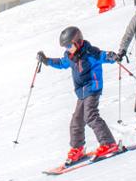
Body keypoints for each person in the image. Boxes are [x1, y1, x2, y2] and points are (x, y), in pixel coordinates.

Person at [37, 26, 119, 166]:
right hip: (81, 92)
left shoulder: (90, 52)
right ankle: (77, 148)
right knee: (76, 120)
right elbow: (61, 63)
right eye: (65, 46)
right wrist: (46, 61)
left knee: (90, 116)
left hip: (93, 88)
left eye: (69, 45)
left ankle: (108, 143)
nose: (67, 48)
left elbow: (102, 55)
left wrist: (112, 56)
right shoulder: (69, 56)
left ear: (78, 41)